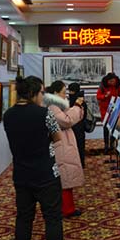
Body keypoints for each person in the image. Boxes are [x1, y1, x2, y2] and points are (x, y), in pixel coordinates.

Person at [3, 76, 77, 240]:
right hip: (46, 173)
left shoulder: (8, 115)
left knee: (24, 218)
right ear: (34, 93)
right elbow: (57, 137)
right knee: (52, 218)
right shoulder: (45, 114)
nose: (44, 96)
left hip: (21, 174)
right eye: (42, 92)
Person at [44, 81, 86, 217]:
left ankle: (68, 208)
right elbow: (66, 121)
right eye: (63, 92)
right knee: (64, 176)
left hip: (64, 142)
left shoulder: (56, 105)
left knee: (66, 176)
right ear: (56, 93)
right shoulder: (52, 106)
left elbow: (71, 117)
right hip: (60, 144)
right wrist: (77, 106)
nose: (65, 95)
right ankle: (65, 209)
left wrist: (76, 108)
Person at [96, 72, 120, 152]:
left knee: (115, 127)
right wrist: (105, 96)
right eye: (111, 81)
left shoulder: (117, 87)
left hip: (115, 110)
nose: (112, 83)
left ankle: (112, 144)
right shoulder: (102, 87)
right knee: (105, 128)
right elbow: (98, 96)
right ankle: (106, 145)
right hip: (105, 111)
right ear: (107, 81)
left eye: (113, 81)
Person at [68, 83, 87, 169]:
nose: (69, 93)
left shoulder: (76, 100)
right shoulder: (81, 99)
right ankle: (81, 163)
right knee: (80, 145)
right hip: (80, 126)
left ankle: (79, 163)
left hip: (76, 127)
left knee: (77, 145)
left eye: (70, 91)